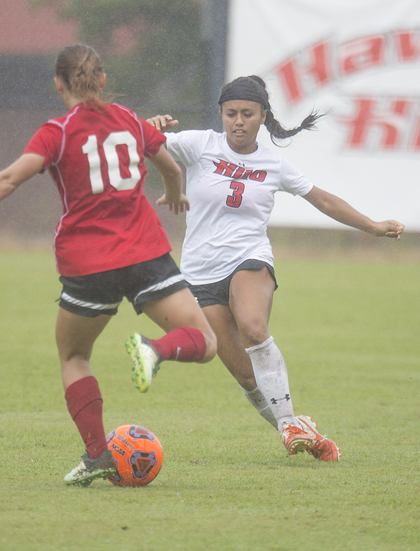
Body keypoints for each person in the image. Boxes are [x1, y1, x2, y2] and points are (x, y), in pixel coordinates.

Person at [147, 75, 405, 462]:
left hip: (249, 258)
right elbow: (135, 146)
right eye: (230, 113)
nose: (238, 121)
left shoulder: (273, 164)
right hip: (199, 274)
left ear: (262, 116)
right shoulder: (200, 144)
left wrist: (372, 226)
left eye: (247, 114)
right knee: (247, 377)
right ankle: (295, 427)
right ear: (221, 114)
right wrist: (147, 129)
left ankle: (291, 425)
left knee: (253, 326)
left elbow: (323, 200)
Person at [0, 44, 217, 486]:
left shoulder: (56, 132)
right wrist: (174, 193)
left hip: (87, 263)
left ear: (58, 84)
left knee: (75, 355)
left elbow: (10, 179)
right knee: (204, 341)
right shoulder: (129, 119)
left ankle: (98, 453)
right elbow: (170, 168)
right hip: (144, 253)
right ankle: (154, 349)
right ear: (102, 80)